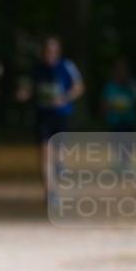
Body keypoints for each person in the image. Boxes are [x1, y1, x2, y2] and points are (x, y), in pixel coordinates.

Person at [22, 36, 84, 188]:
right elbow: (29, 87)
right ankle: (50, 192)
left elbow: (79, 87)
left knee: (58, 154)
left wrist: (64, 98)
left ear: (58, 52)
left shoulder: (66, 66)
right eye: (46, 51)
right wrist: (24, 93)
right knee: (44, 154)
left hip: (61, 115)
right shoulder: (37, 69)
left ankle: (59, 168)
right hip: (43, 116)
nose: (49, 54)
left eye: (52, 51)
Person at [101, 57, 136, 133]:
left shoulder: (134, 85)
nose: (122, 72)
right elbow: (103, 107)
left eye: (124, 70)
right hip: (114, 125)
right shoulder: (109, 87)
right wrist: (111, 106)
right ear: (114, 71)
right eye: (119, 70)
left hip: (131, 125)